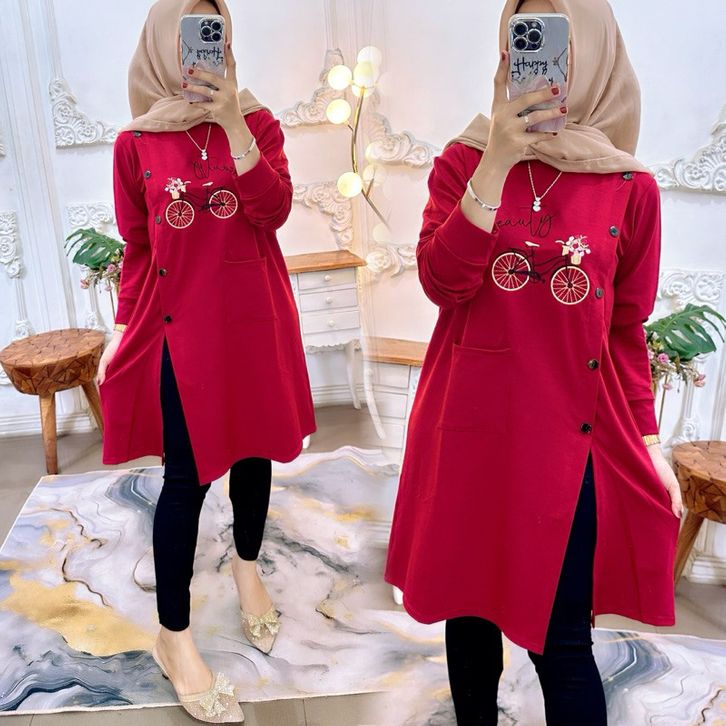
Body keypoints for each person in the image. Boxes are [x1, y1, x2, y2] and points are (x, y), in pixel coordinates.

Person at [384, 0, 683, 723]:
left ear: (597, 50)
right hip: (467, 430)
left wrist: (649, 443)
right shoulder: (464, 162)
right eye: (525, 38)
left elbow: (624, 330)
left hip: (566, 445)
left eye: (559, 39)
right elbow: (442, 282)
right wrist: (497, 160)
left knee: (562, 642)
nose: (544, 60)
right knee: (468, 617)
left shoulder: (630, 189)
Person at [97, 0, 316, 721]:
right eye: (192, 35)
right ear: (164, 45)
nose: (205, 49)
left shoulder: (257, 124)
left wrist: (232, 124)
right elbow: (139, 249)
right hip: (181, 332)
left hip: (254, 325)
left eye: (214, 34)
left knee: (255, 453)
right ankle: (174, 636)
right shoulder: (136, 144)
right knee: (185, 481)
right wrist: (122, 330)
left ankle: (247, 567)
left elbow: (273, 210)